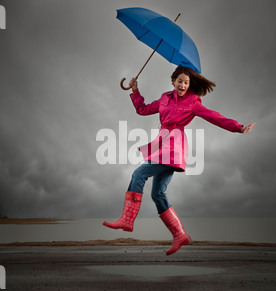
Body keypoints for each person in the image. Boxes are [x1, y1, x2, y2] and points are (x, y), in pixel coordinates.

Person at [103, 65, 255, 255]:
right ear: (173, 81)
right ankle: (179, 235)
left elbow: (215, 117)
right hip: (162, 143)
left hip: (174, 147)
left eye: (186, 82)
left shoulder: (193, 102)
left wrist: (238, 127)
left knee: (139, 173)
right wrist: (135, 90)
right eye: (180, 81)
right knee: (157, 194)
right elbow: (142, 110)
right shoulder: (164, 98)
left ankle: (127, 219)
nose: (183, 85)